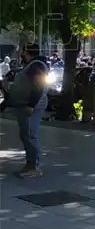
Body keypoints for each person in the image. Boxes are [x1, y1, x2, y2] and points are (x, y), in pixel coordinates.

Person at [7, 44, 49, 177]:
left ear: (26, 52)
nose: (19, 53)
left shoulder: (36, 66)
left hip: (31, 106)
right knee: (26, 135)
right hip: (27, 105)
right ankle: (30, 165)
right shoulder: (31, 65)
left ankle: (33, 167)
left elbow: (39, 85)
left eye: (21, 50)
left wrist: (31, 104)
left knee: (30, 135)